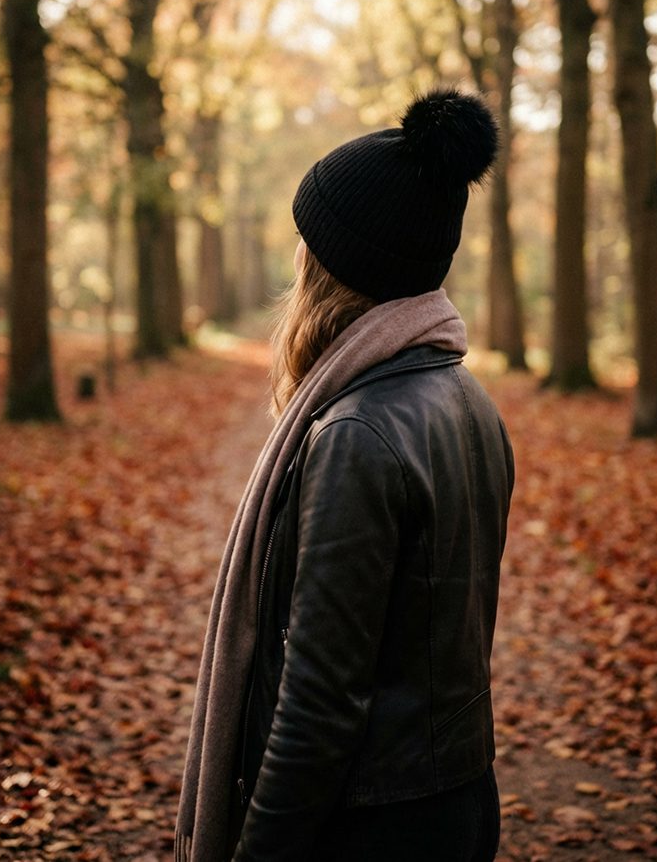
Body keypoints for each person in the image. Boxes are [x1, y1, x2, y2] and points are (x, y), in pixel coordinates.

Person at [176, 88, 515, 862]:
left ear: (335, 265)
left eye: (308, 243)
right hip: (453, 801)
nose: (298, 259)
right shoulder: (470, 403)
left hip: (371, 826)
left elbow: (320, 703)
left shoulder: (356, 433)